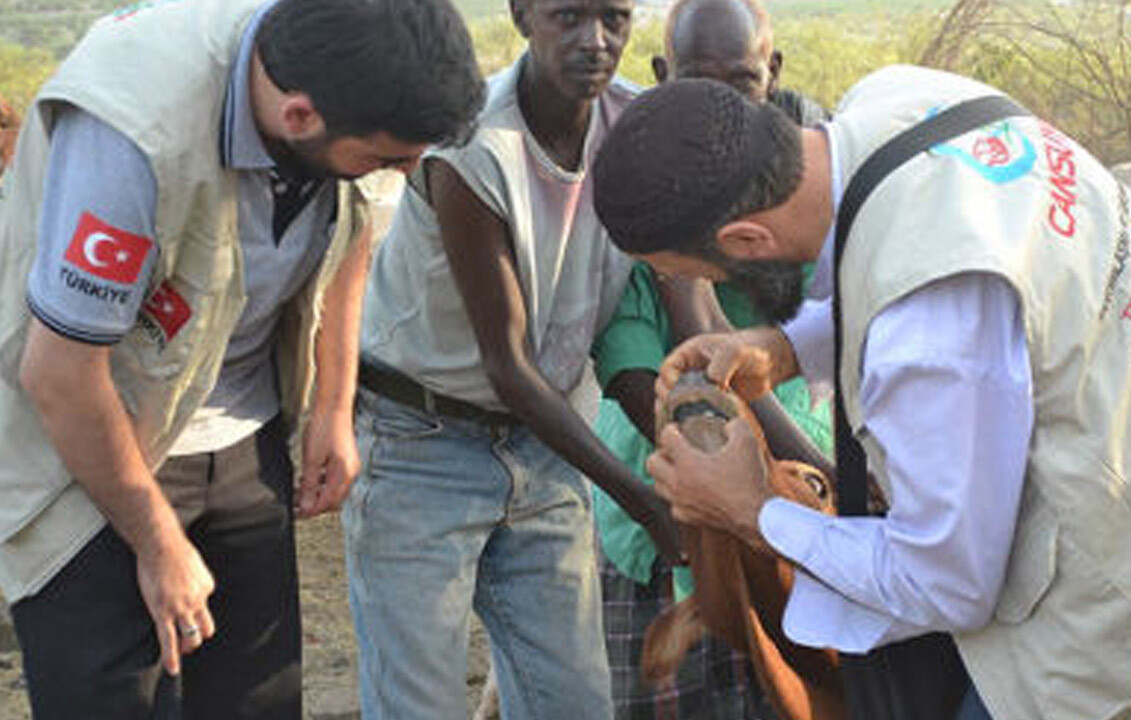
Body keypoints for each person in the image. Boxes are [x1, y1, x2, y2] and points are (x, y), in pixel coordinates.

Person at [589, 70, 1131, 719]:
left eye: (700, 273)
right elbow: (974, 277)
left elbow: (947, 584)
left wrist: (754, 508)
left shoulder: (922, 331)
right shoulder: (906, 100)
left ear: (746, 239)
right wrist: (792, 346)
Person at [0, 0, 484, 717]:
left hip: (237, 435)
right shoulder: (131, 136)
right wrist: (158, 541)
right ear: (297, 116)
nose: (404, 175)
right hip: (87, 449)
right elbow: (61, 374)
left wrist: (331, 404)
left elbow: (348, 229)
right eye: (388, 159)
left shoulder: (332, 68)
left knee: (256, 698)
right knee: (115, 698)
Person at [345, 0, 679, 717]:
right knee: (418, 704)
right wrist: (646, 502)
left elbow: (674, 307)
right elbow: (509, 365)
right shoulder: (474, 147)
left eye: (614, 18)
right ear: (523, 14)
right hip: (421, 444)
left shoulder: (636, 128)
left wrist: (695, 461)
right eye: (568, 16)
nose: (596, 41)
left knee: (574, 702)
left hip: (547, 446)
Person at [591, 1, 832, 717]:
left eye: (744, 80)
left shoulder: (801, 184)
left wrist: (808, 488)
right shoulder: (650, 187)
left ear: (774, 74)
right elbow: (643, 379)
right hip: (666, 526)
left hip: (796, 517)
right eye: (700, 79)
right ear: (665, 77)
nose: (723, 103)